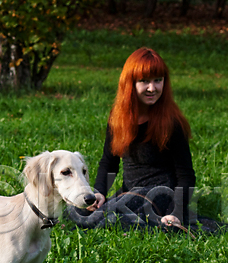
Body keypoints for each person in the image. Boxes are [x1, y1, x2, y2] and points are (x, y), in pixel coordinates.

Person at [68, 47, 198, 232]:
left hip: (161, 195)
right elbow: (109, 163)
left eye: (158, 80)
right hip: (130, 194)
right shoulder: (118, 118)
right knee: (77, 210)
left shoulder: (171, 121)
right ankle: (135, 222)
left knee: (111, 215)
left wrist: (176, 212)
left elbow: (186, 174)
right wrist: (99, 193)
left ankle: (163, 224)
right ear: (130, 83)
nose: (152, 88)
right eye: (144, 81)